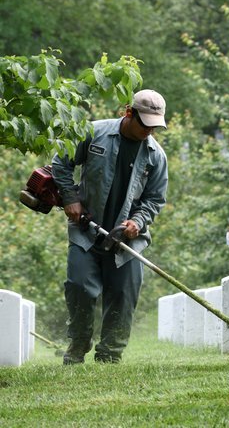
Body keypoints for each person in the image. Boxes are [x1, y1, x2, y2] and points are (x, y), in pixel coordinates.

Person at [52, 89, 169, 364]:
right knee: (80, 287)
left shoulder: (156, 156)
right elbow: (61, 163)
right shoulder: (93, 133)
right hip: (86, 232)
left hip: (127, 241)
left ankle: (109, 356)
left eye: (155, 127)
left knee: (123, 295)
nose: (150, 132)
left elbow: (155, 199)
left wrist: (138, 222)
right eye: (145, 124)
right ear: (129, 113)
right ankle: (78, 346)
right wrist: (70, 199)